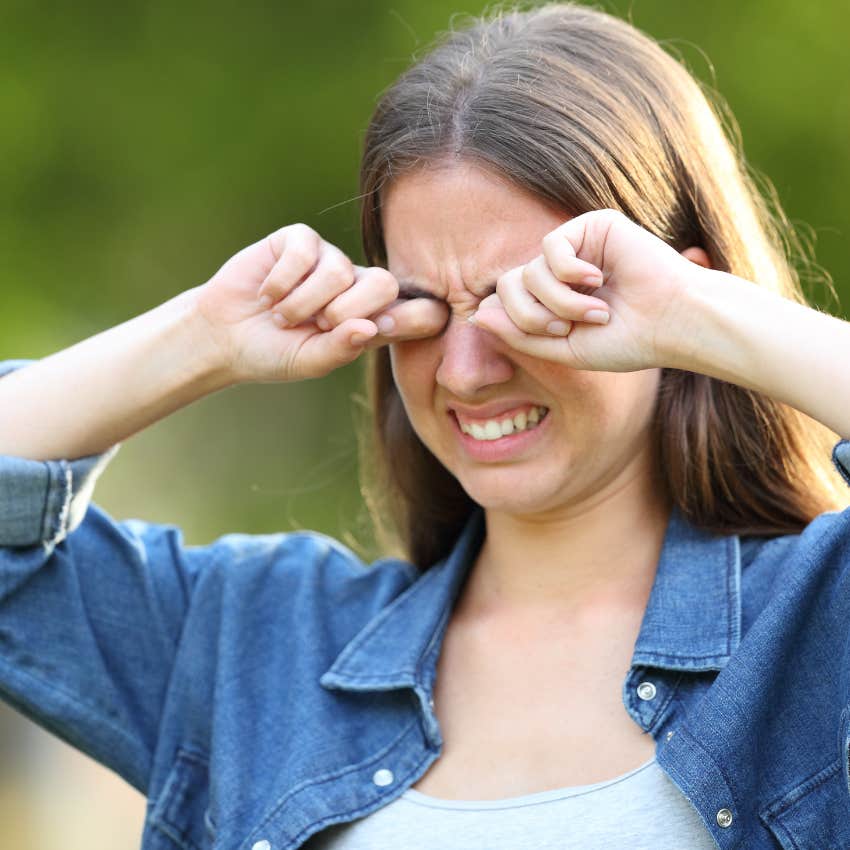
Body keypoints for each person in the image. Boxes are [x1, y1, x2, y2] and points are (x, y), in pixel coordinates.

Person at [1, 2, 849, 848]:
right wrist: (202, 336)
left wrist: (701, 314)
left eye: (528, 301)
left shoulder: (815, 629)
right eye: (424, 308)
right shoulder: (259, 646)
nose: (465, 370)